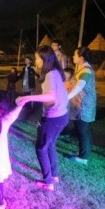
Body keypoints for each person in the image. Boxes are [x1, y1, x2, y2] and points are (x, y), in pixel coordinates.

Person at [16, 45, 69, 191]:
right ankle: (54, 175)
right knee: (50, 144)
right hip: (62, 116)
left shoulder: (50, 74)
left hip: (53, 118)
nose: (36, 61)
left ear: (45, 60)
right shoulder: (55, 72)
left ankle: (48, 182)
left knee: (41, 148)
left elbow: (51, 97)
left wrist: (27, 98)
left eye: (38, 58)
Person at [67, 47, 96, 165]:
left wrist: (65, 98)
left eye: (75, 54)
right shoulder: (82, 68)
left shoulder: (86, 70)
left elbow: (79, 86)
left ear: (81, 57)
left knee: (82, 130)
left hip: (83, 106)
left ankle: (83, 157)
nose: (73, 56)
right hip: (81, 104)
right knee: (84, 130)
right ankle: (84, 151)